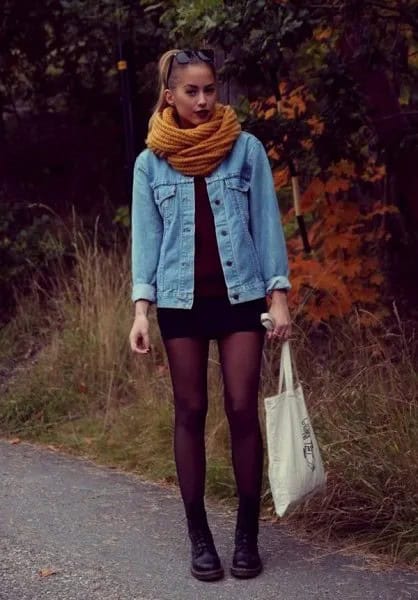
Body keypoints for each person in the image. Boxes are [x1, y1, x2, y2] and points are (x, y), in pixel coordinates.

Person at [129, 48, 291, 582]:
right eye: (191, 91)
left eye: (210, 90)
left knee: (243, 406)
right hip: (180, 303)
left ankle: (247, 535)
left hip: (241, 297)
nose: (203, 101)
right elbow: (145, 242)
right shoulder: (150, 162)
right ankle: (199, 536)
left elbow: (267, 225)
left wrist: (279, 294)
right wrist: (140, 310)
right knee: (190, 410)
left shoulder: (245, 150)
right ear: (169, 96)